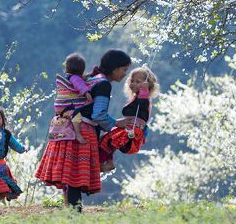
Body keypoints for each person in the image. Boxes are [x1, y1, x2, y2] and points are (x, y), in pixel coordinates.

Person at [35, 49, 135, 211]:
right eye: (124, 69)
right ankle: (75, 214)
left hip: (67, 127)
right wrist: (117, 123)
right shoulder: (103, 84)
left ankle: (70, 211)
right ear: (115, 68)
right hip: (82, 130)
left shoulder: (92, 79)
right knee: (75, 176)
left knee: (70, 174)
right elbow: (98, 115)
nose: (125, 74)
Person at [99, 66, 160, 172]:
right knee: (106, 138)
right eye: (132, 80)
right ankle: (108, 162)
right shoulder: (136, 98)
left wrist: (144, 91)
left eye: (138, 81)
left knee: (107, 139)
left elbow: (143, 104)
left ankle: (103, 162)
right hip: (129, 128)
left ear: (146, 85)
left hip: (133, 131)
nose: (133, 83)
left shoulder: (144, 99)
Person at [54, 52, 94, 144]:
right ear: (81, 69)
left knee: (61, 120)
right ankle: (78, 135)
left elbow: (82, 79)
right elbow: (80, 84)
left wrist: (90, 75)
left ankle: (57, 135)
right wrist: (86, 92)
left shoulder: (68, 77)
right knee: (76, 116)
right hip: (68, 106)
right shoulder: (74, 78)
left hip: (60, 107)